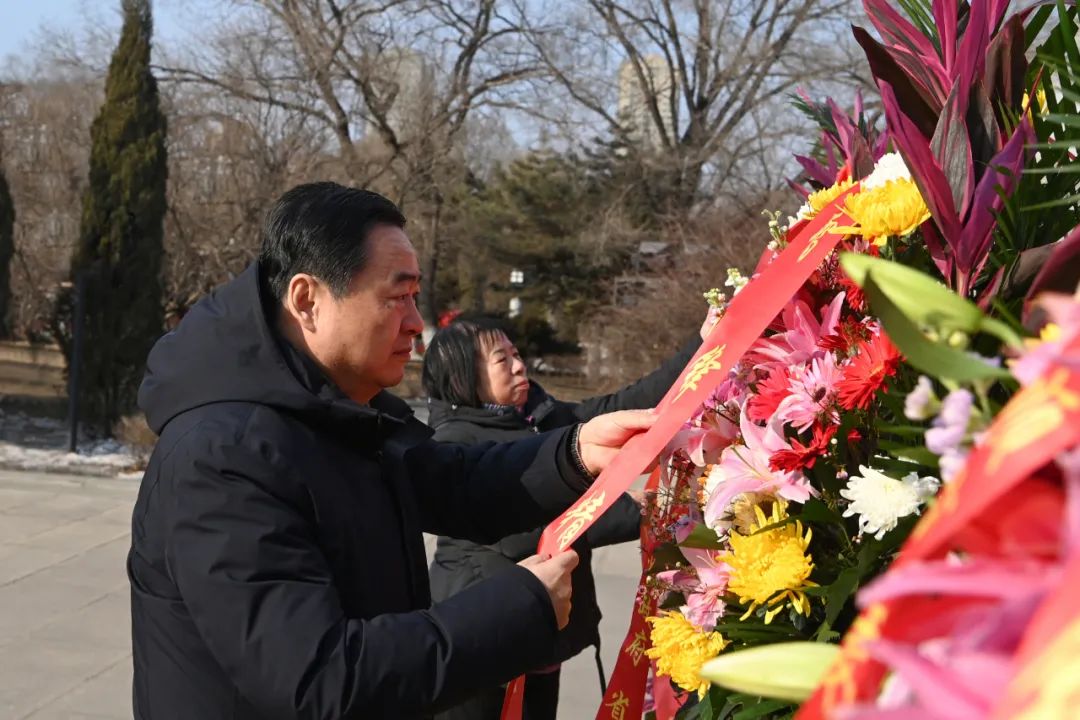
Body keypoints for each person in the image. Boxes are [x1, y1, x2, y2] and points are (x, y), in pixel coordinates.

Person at [127, 182, 655, 720]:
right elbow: (320, 679)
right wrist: (521, 605)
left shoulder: (332, 410)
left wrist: (574, 452)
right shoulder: (222, 455)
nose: (414, 324)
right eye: (395, 297)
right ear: (307, 300)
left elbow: (452, 482)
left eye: (415, 297)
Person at [423, 314, 715, 720]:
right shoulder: (456, 442)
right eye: (500, 360)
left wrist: (700, 344)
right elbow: (526, 528)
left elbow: (625, 406)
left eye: (516, 353)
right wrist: (645, 510)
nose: (519, 365)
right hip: (482, 636)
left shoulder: (541, 416)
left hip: (542, 631)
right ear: (463, 377)